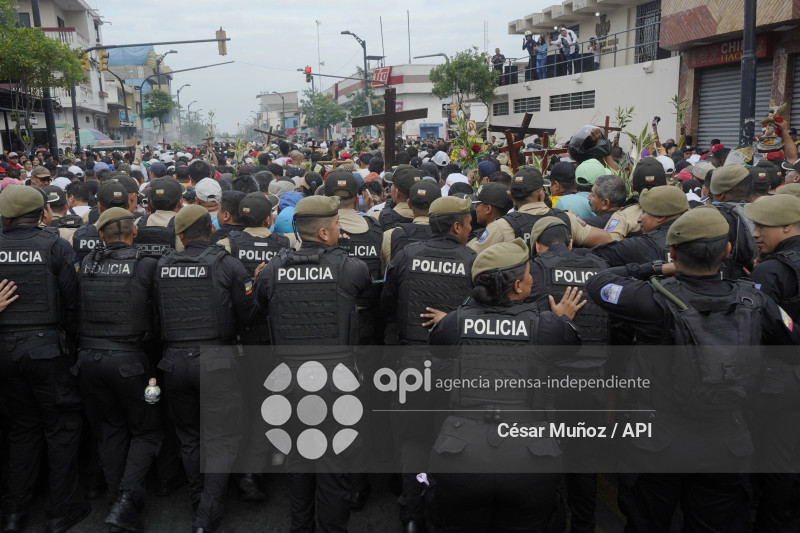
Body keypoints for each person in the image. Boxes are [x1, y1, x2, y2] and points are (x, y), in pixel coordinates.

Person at [585, 206, 800, 532]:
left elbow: (599, 282)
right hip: (726, 440)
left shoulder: (652, 301)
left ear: (672, 252)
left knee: (647, 522)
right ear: (727, 251)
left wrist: (655, 267)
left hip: (658, 442)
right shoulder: (754, 302)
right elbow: (792, 343)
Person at [425, 238, 585, 533]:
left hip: (461, 453)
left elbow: (440, 343)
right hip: (529, 457)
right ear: (518, 286)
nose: (533, 279)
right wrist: (562, 319)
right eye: (529, 274)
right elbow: (571, 344)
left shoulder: (454, 323)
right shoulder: (546, 327)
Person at [254, 196, 372, 533]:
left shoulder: (271, 270)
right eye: (337, 225)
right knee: (333, 463)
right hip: (336, 382)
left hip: (288, 382)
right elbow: (367, 294)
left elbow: (259, 304)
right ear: (323, 233)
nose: (341, 232)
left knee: (298, 460)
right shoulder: (351, 268)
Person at [154, 204, 258, 532]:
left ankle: (198, 500)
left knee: (189, 437)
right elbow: (249, 315)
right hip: (216, 363)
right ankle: (207, 514)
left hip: (173, 363)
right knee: (221, 438)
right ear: (211, 230)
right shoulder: (228, 264)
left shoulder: (162, 265)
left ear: (180, 236)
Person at [382, 196, 477, 532]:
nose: (471, 229)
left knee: (414, 440)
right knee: (449, 442)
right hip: (454, 366)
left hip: (411, 364)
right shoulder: (472, 260)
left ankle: (412, 514)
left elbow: (387, 302)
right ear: (456, 226)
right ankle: (441, 512)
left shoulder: (405, 255)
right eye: (469, 223)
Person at [0, 185, 89, 533]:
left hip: (6, 352)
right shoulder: (55, 246)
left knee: (22, 428)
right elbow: (72, 301)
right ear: (42, 214)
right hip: (47, 350)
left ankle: (14, 513)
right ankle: (61, 511)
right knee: (61, 428)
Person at [75, 207, 162, 532]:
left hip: (88, 362)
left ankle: (117, 503)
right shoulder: (147, 265)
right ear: (134, 232)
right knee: (147, 431)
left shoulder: (87, 263)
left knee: (110, 431)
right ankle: (125, 502)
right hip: (131, 364)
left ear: (101, 235)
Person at [527, 217, 610, 533]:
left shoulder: (534, 270)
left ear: (538, 245)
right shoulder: (601, 267)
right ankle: (584, 526)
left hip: (547, 380)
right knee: (583, 460)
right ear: (571, 243)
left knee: (542, 457)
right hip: (592, 380)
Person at [742, 194, 800, 533]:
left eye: (763, 227)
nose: (755, 233)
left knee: (772, 457)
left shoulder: (772, 270)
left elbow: (759, 325)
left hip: (777, 379)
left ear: (788, 227)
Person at [468, 167, 613, 255]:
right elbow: (606, 239)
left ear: (512, 197)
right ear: (541, 194)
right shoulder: (566, 219)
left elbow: (470, 254)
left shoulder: (501, 227)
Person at [588, 185, 689, 266]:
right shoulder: (695, 237)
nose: (639, 219)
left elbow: (598, 253)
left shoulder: (644, 245)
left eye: (644, 212)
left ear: (660, 217)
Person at [603, 157, 668, 240]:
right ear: (666, 184)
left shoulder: (623, 216)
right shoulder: (679, 210)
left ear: (633, 187)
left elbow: (608, 243)